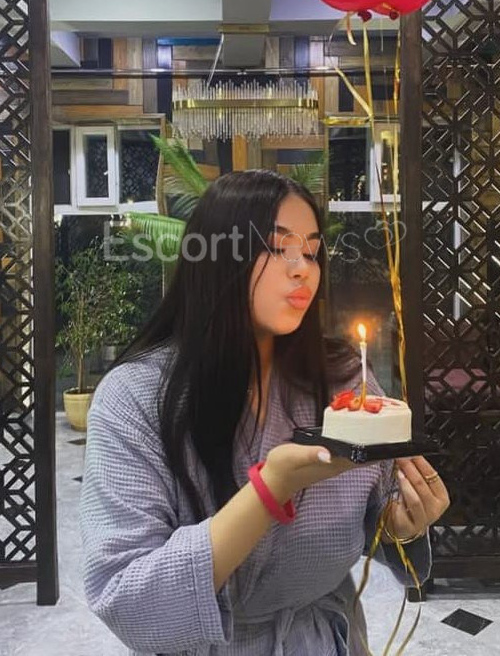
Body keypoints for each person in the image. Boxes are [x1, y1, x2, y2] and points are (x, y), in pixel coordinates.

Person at [80, 169, 450, 656]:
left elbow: (375, 515)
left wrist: (403, 526)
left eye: (312, 252)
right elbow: (126, 598)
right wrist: (270, 489)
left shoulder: (345, 380)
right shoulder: (135, 397)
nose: (303, 270)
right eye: (278, 249)